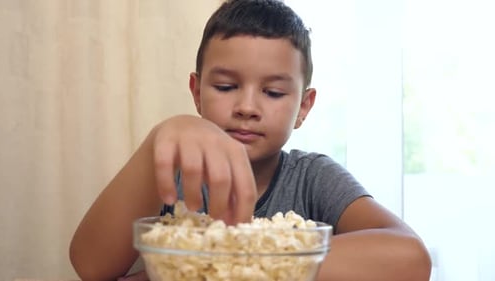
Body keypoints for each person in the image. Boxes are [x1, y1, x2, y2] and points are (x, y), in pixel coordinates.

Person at [69, 0, 432, 280]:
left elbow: (411, 258)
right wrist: (157, 142)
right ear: (196, 93)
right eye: (226, 87)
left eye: (273, 92)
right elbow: (90, 265)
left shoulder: (313, 178)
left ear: (303, 107)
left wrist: (221, 259)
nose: (246, 107)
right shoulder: (171, 177)